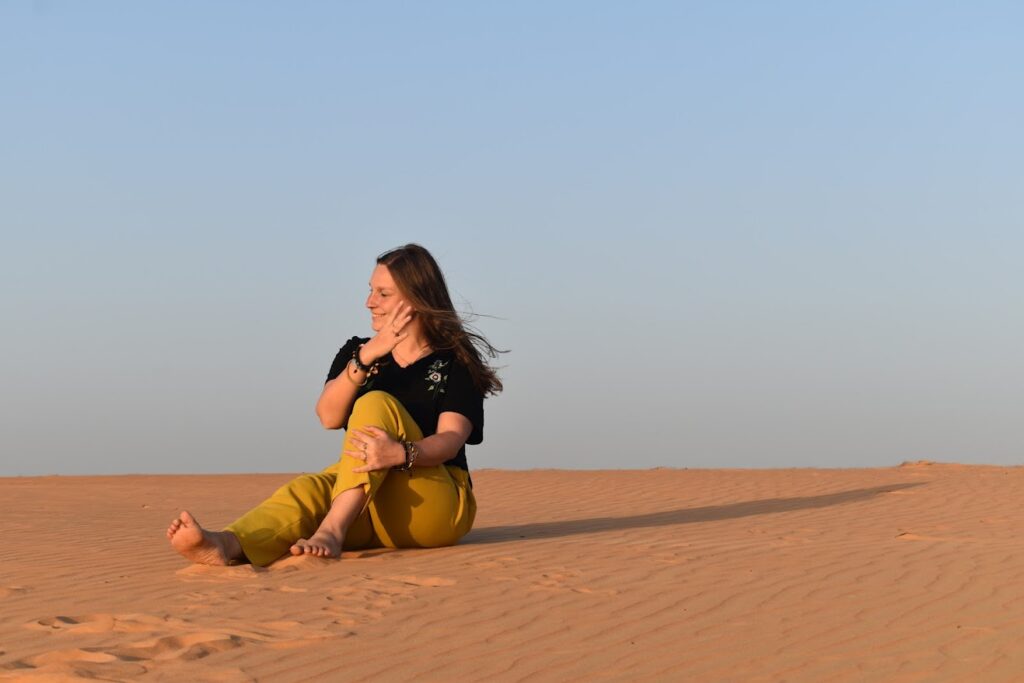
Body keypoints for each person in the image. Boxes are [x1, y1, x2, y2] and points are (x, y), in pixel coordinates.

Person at [166, 244, 503, 566]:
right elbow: (328, 417)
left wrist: (400, 453)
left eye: (383, 294)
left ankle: (332, 530)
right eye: (370, 290)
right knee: (309, 489)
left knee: (375, 403)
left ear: (416, 299)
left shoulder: (454, 362)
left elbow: (450, 439)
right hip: (371, 510)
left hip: (433, 509)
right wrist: (367, 355)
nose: (369, 302)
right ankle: (225, 545)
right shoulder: (357, 352)